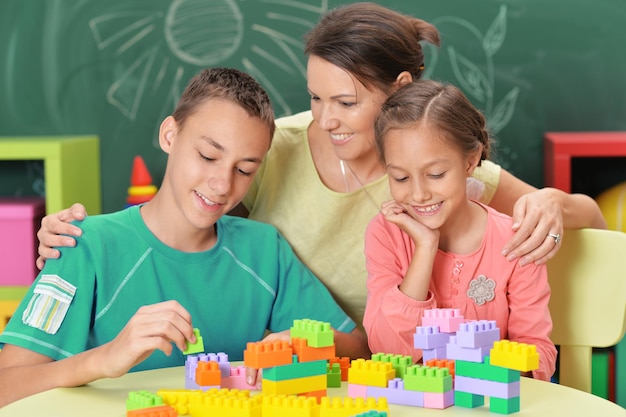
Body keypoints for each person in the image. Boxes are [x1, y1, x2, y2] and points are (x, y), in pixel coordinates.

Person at [34, 3, 606, 326]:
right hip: (299, 363)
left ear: (400, 87)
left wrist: (555, 202)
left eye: (347, 102)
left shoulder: (430, 171)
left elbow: (596, 223)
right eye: (314, 98)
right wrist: (82, 241)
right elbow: (187, 209)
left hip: (403, 363)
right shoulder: (272, 149)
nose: (326, 120)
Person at [0, 68, 369, 407]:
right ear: (170, 135)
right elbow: (6, 386)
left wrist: (304, 344)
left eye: (244, 169)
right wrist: (105, 358)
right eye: (208, 156)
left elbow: (358, 347)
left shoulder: (263, 250)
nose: (223, 184)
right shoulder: (83, 245)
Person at [363, 79, 557, 381]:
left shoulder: (516, 241)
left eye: (436, 174)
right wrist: (426, 247)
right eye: (400, 178)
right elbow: (387, 349)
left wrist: (484, 377)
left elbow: (537, 352)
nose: (419, 194)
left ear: (470, 161)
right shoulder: (386, 234)